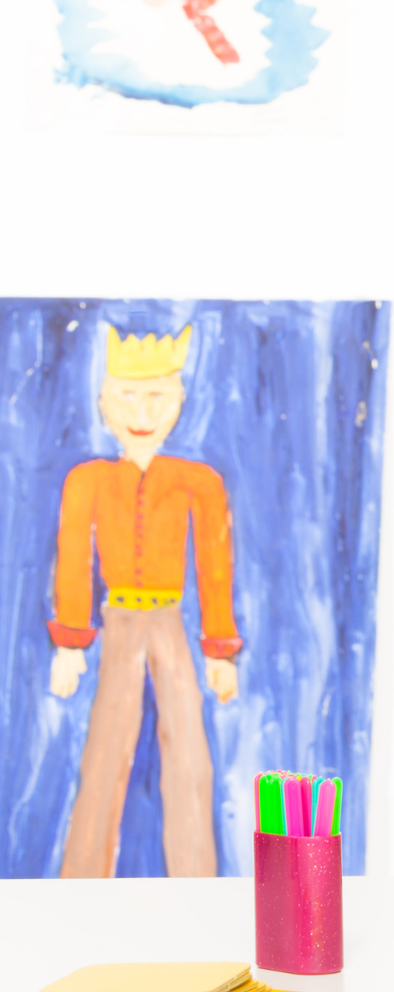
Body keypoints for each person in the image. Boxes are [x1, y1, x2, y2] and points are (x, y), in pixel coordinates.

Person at [49, 324, 241, 878]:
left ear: (178, 401)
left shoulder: (197, 481)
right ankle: (79, 887)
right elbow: (72, 560)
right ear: (103, 401)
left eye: (157, 395)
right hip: (117, 622)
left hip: (171, 623)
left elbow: (214, 564)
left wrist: (220, 651)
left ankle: (197, 883)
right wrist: (69, 641)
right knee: (105, 754)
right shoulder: (86, 480)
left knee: (188, 755)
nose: (141, 409)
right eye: (127, 395)